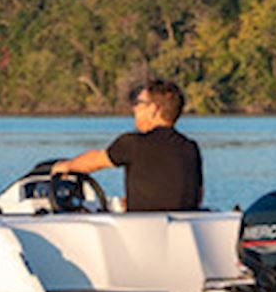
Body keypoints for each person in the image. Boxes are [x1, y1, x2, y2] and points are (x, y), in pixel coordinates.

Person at [52, 78, 202, 212]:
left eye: (139, 103)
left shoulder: (133, 143)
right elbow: (198, 195)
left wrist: (66, 166)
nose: (134, 108)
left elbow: (95, 161)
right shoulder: (190, 148)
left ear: (154, 109)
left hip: (141, 231)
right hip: (181, 228)